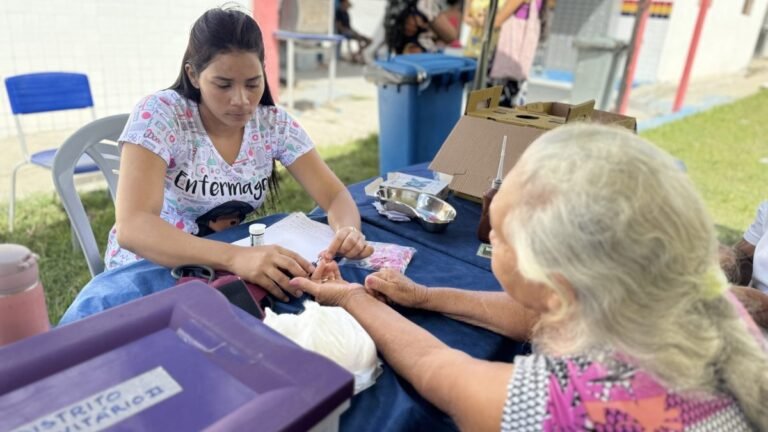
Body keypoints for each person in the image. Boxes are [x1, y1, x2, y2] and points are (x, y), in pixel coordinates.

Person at [294, 124, 768, 430]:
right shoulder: (703, 303)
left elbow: (441, 371)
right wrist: (425, 296)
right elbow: (539, 315)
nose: (487, 236)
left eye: (498, 235)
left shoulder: (573, 401)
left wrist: (353, 297)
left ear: (556, 284)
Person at [109, 7, 372, 302]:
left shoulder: (272, 123)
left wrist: (348, 230)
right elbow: (133, 227)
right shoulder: (162, 114)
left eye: (252, 83)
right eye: (223, 85)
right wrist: (235, 257)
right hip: (151, 269)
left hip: (229, 268)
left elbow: (334, 196)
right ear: (193, 75)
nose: (241, 100)